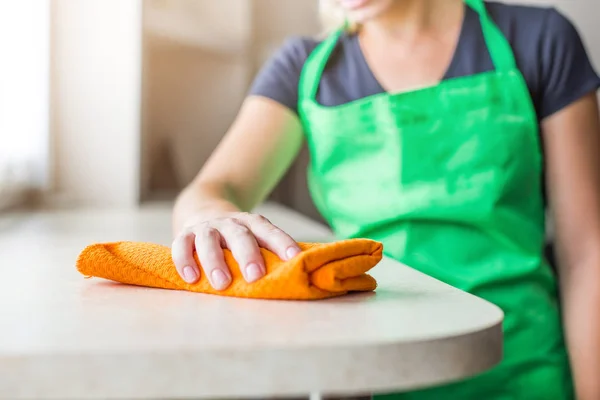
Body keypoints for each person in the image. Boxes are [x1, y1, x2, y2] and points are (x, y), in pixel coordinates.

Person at [170, 0, 600, 398]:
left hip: (521, 373)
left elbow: (586, 253)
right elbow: (211, 189)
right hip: (371, 377)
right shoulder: (304, 69)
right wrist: (210, 216)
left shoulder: (539, 40)